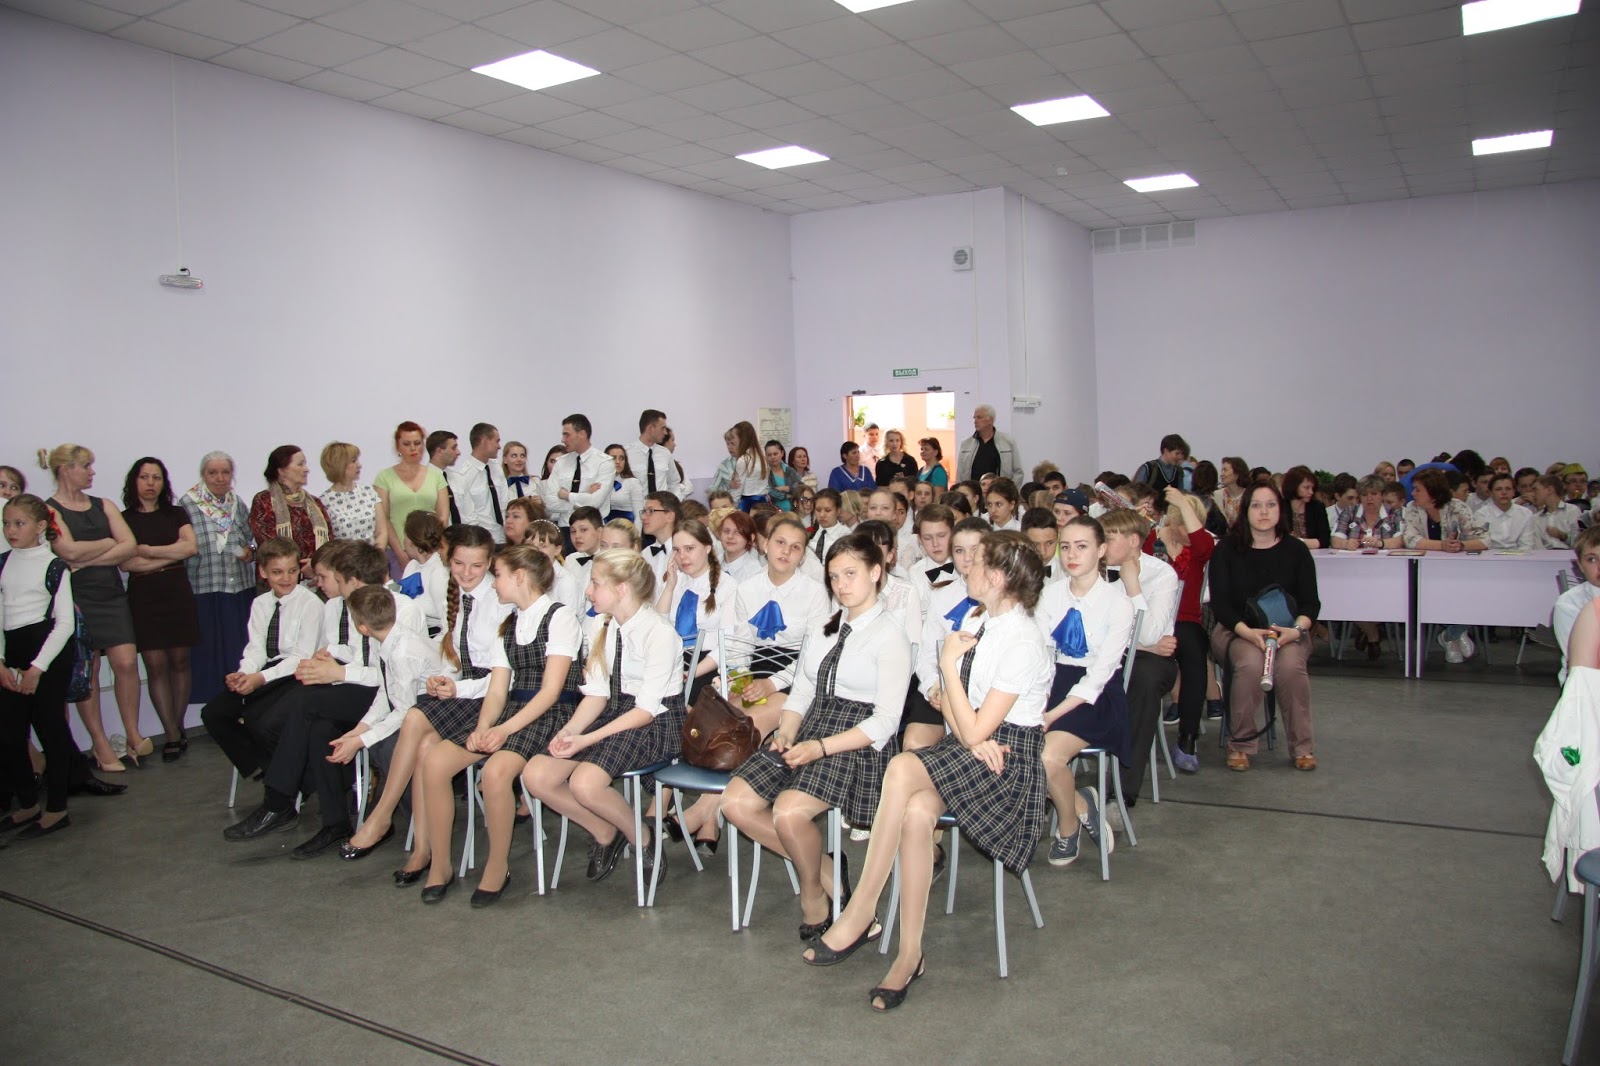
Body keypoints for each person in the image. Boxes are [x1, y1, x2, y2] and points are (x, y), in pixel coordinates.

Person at [803, 531, 1052, 1012]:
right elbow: (961, 725)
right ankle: (909, 954)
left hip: (1009, 765)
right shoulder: (980, 620)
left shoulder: (1023, 640)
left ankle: (861, 909)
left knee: (901, 767)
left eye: (976, 562)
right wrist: (966, 723)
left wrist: (948, 670)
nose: (965, 567)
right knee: (917, 812)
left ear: (996, 578)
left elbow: (972, 721)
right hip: (974, 751)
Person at [723, 532, 910, 943]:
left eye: (851, 574)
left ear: (876, 573)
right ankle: (827, 872)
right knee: (734, 803)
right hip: (810, 726)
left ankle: (813, 893)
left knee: (788, 813)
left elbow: (886, 721)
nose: (841, 584)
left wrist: (820, 747)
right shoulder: (827, 627)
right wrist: (787, 731)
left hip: (856, 741)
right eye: (834, 576)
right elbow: (804, 690)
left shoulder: (890, 635)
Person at [223, 541, 425, 854]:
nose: (331, 587)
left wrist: (338, 673)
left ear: (354, 582)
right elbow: (362, 658)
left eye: (337, 580)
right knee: (319, 729)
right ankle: (335, 822)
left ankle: (278, 801)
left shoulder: (400, 609)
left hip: (398, 699)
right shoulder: (361, 604)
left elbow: (389, 680)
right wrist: (330, 657)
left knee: (302, 704)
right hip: (371, 689)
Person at [412, 546, 581, 905]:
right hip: (514, 711)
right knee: (435, 761)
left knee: (496, 771)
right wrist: (484, 726)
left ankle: (497, 865)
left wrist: (503, 730)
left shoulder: (560, 617)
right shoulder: (508, 625)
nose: (493, 583)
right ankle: (440, 863)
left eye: (499, 575)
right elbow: (497, 690)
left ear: (520, 576)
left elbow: (551, 692)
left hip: (553, 713)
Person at [357, 524, 508, 887]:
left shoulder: (500, 601)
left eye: (477, 565)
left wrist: (457, 687)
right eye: (459, 563)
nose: (466, 573)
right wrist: (444, 678)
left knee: (414, 716)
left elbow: (504, 678)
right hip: (467, 692)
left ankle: (383, 814)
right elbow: (457, 656)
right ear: (448, 560)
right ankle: (429, 855)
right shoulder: (455, 594)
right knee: (424, 746)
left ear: (490, 562)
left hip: (494, 699)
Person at [523, 549, 684, 887]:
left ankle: (642, 836)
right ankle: (605, 830)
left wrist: (587, 739)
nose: (588, 591)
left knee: (584, 783)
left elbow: (645, 711)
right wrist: (570, 731)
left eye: (596, 584)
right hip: (615, 713)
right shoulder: (603, 624)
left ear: (621, 589)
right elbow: (597, 694)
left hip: (654, 723)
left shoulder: (659, 633)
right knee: (536, 775)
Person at [677, 513, 829, 849]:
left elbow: (813, 657)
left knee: (741, 726)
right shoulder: (748, 588)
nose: (786, 551)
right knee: (718, 717)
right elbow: (740, 645)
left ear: (803, 555)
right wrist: (738, 679)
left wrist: (772, 684)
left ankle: (701, 810)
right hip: (754, 671)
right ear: (765, 544)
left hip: (796, 678)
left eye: (795, 547)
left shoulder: (815, 593)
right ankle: (709, 818)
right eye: (780, 542)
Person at [1035, 515, 1133, 866]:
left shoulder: (1118, 604)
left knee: (1046, 757)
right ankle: (1081, 803)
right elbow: (1039, 655)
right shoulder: (1049, 595)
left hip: (1096, 694)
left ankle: (1067, 828)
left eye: (1082, 546)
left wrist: (1050, 714)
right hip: (1052, 684)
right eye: (1065, 547)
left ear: (1101, 550)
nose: (1072, 555)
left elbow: (1100, 674)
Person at [41, 443, 143, 772]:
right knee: (91, 670)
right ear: (65, 469)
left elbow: (129, 546)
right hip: (76, 597)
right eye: (85, 466)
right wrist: (108, 543)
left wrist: (88, 559)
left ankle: (133, 734)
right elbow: (67, 551)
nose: (91, 472)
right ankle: (100, 743)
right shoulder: (49, 510)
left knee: (126, 661)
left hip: (111, 594)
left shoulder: (104, 504)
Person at [1210, 483, 1320, 772]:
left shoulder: (1297, 550)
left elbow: (1311, 604)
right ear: (1245, 511)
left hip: (1288, 632)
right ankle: (1241, 743)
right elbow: (1220, 605)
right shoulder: (1226, 550)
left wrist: (1296, 631)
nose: (1264, 512)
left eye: (1270, 505)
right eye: (1256, 505)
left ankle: (1303, 747)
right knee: (1251, 663)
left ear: (1280, 510)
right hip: (1236, 630)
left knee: (1291, 667)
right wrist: (1247, 632)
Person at [329, 584, 442, 861]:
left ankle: (408, 821)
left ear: (361, 627)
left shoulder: (403, 651)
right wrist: (361, 729)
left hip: (435, 707)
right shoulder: (385, 640)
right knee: (378, 742)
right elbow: (386, 691)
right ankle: (399, 819)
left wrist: (360, 740)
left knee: (387, 746)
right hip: (414, 707)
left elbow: (405, 710)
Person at [199, 538, 324, 784]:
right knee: (213, 713)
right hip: (267, 671)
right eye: (277, 572)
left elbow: (300, 657)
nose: (286, 578)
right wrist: (244, 674)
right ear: (263, 572)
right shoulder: (260, 603)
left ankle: (286, 777)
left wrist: (259, 679)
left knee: (260, 719)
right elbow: (256, 648)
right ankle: (266, 766)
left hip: (298, 673)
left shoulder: (311, 604)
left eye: (292, 571)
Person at [0, 494, 81, 838]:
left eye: (19, 523)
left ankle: (57, 809)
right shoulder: (3, 563)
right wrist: (1, 662)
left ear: (40, 527)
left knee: (50, 729)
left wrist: (37, 668)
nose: (10, 530)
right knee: (9, 733)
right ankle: (28, 802)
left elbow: (64, 624)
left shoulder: (54, 566)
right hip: (13, 652)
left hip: (47, 652)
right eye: (6, 523)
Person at [119, 457, 200, 761]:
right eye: (144, 477)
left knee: (180, 660)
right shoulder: (124, 519)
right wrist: (171, 554)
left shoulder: (176, 513)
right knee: (155, 665)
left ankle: (177, 727)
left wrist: (149, 552)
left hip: (176, 591)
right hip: (144, 595)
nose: (150, 483)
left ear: (164, 482)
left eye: (156, 477)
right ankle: (171, 732)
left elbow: (190, 548)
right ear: (134, 481)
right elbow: (127, 563)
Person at [1099, 509, 1178, 808]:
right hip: (1109, 652)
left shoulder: (1162, 574)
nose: (1102, 546)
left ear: (1133, 541)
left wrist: (1133, 586)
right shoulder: (1093, 570)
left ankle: (1122, 791)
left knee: (1142, 680)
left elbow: (1151, 632)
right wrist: (1144, 646)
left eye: (1109, 538)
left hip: (1149, 662)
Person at [181, 452, 256, 710]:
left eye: (225, 472)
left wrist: (250, 552)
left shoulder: (236, 502)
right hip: (205, 588)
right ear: (203, 475)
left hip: (239, 588)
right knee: (210, 654)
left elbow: (251, 538)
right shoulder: (188, 503)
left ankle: (243, 707)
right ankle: (216, 711)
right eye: (213, 473)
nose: (220, 478)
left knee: (239, 651)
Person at [656, 518, 737, 704]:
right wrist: (669, 588)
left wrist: (691, 672)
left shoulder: (728, 586)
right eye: (677, 550)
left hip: (708, 662)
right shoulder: (676, 582)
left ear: (707, 548)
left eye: (689, 548)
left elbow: (728, 642)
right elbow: (659, 626)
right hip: (674, 657)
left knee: (678, 701)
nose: (682, 557)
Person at [373, 422, 449, 575]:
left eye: (417, 443)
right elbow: (383, 518)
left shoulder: (436, 476)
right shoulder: (384, 477)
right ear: (398, 447)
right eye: (407, 444)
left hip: (431, 551)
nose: (413, 448)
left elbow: (443, 517)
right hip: (397, 552)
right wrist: (401, 554)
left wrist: (433, 549)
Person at [248, 445, 331, 579]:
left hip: (317, 579)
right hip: (278, 580)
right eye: (300, 464)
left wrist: (315, 565)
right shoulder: (264, 501)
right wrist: (300, 568)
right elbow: (269, 545)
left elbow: (330, 541)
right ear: (282, 471)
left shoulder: (315, 503)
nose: (306, 469)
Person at [540, 414, 613, 535]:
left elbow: (595, 502)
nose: (563, 440)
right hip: (565, 529)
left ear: (581, 434)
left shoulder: (604, 463)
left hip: (592, 530)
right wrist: (584, 495)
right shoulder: (561, 463)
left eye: (567, 435)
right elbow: (550, 502)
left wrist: (566, 495)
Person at [1556, 527, 1600, 685]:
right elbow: (1583, 664)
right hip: (1585, 683)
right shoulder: (1569, 603)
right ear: (1580, 565)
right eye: (1592, 559)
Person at [319, 442, 384, 549]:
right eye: (353, 461)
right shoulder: (324, 502)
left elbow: (381, 532)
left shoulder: (368, 491)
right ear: (339, 465)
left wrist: (376, 554)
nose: (359, 465)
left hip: (374, 556)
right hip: (343, 558)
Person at [452, 423, 509, 543]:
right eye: (497, 441)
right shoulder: (465, 475)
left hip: (504, 537)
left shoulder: (496, 467)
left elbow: (505, 502)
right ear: (485, 441)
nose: (499, 446)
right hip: (483, 541)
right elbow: (466, 515)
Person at [400, 512, 448, 635]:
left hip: (434, 635)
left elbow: (447, 622)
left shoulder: (438, 572)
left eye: (405, 536)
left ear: (411, 542)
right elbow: (399, 591)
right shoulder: (412, 565)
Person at [955, 405, 1023, 484]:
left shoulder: (1007, 442)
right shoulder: (966, 444)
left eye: (979, 417)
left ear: (990, 420)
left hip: (998, 490)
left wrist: (1010, 490)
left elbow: (1018, 472)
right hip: (973, 490)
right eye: (974, 418)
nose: (975, 421)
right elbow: (959, 473)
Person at [625, 409, 680, 499]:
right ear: (650, 428)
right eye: (662, 428)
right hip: (637, 506)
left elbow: (674, 483)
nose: (665, 432)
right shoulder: (627, 454)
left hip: (662, 506)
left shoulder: (665, 453)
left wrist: (674, 502)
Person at [1478, 472, 1540, 552]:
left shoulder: (1526, 514)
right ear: (1490, 493)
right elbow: (1481, 544)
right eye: (1498, 489)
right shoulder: (1481, 514)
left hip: (1519, 557)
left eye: (1508, 489)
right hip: (1490, 557)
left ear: (1514, 492)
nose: (1504, 493)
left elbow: (1527, 545)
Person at [1280, 467, 1331, 549]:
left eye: (1312, 488)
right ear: (1294, 486)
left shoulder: (1317, 507)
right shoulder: (1280, 507)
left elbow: (1325, 540)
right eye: (1306, 488)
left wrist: (1299, 542)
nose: (1311, 492)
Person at [638, 492, 680, 582]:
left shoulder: (683, 553)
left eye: (650, 511)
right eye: (644, 511)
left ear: (670, 516)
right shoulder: (645, 554)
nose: (643, 517)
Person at [1533, 474, 1584, 548]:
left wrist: (1563, 536)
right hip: (1544, 554)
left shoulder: (1572, 511)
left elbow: (1578, 543)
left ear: (1549, 490)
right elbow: (1537, 546)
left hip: (1569, 553)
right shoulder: (1536, 518)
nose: (1533, 494)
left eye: (1536, 490)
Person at [718, 509, 764, 583]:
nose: (730, 536)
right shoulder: (711, 563)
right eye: (726, 531)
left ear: (751, 537)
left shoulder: (754, 572)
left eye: (737, 532)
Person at [427, 430, 463, 524]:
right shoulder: (422, 480)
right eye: (453, 448)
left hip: (464, 532)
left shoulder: (458, 478)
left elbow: (469, 514)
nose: (458, 452)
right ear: (440, 451)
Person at [603, 444, 644, 524]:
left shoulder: (633, 483)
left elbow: (639, 515)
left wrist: (636, 532)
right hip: (605, 527)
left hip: (627, 527)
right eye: (613, 458)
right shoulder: (601, 483)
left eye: (621, 458)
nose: (618, 462)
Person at [764, 440, 801, 512]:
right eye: (769, 455)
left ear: (782, 453)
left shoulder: (789, 470)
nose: (772, 457)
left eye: (775, 454)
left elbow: (799, 486)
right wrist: (788, 496)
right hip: (773, 513)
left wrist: (787, 488)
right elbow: (769, 492)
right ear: (766, 456)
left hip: (793, 512)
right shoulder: (765, 473)